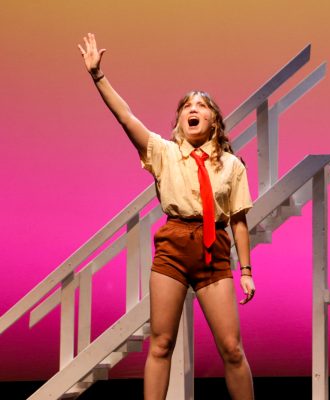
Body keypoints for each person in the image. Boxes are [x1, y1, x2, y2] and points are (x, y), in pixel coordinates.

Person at [78, 33, 255, 400]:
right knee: (160, 344)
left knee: (232, 349)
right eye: (187, 105)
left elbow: (238, 220)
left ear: (214, 121)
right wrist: (98, 77)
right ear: (180, 120)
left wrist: (247, 272)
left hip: (214, 250)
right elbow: (125, 117)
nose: (194, 108)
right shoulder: (164, 152)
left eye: (202, 105)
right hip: (173, 246)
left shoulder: (233, 166)